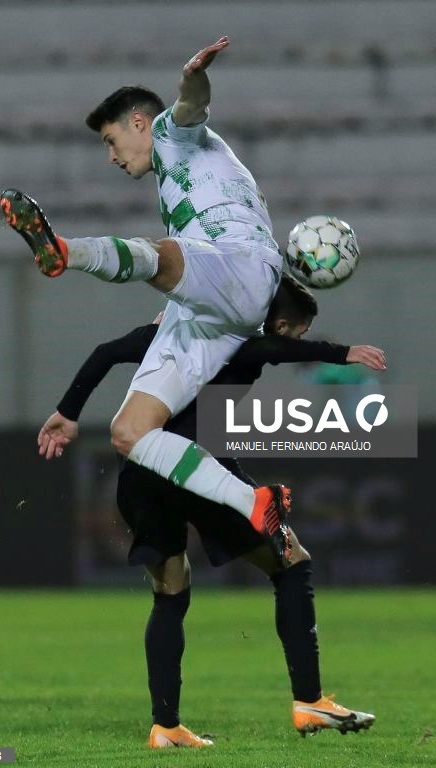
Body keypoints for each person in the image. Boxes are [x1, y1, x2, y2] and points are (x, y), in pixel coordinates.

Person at [0, 36, 310, 559]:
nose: (111, 156)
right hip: (216, 305)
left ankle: (65, 251)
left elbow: (192, 105)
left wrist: (192, 75)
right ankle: (255, 502)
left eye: (110, 139)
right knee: (130, 433)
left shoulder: (171, 134)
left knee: (158, 255)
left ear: (140, 123)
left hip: (244, 266)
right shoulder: (178, 182)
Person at [38, 275, 380, 746]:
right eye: (297, 331)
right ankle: (310, 701)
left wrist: (68, 412)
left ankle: (166, 726)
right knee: (291, 562)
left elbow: (104, 352)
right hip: (199, 465)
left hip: (139, 469)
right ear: (281, 324)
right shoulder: (239, 340)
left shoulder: (175, 330)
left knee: (170, 589)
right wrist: (343, 353)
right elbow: (273, 349)